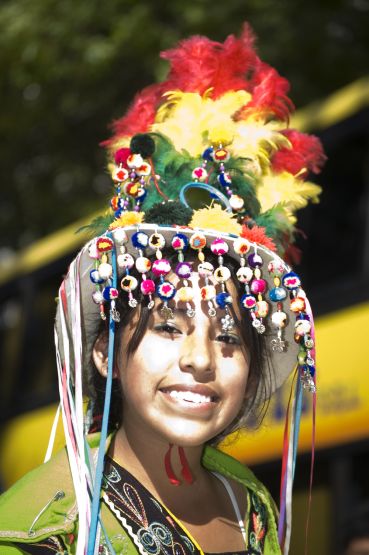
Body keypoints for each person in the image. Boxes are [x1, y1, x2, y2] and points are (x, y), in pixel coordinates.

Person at [0, 23, 325, 555]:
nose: (200, 360)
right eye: (169, 327)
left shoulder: (252, 504)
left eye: (229, 339)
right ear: (105, 352)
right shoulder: (42, 527)